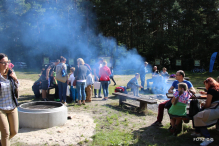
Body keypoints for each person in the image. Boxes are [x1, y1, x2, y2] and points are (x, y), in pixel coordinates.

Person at [192, 77, 219, 146]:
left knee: (199, 117)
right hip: (217, 108)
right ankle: (197, 132)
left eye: (205, 84)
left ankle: (208, 138)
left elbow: (207, 105)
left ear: (208, 83)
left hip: (216, 109)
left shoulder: (210, 90)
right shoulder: (216, 89)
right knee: (199, 113)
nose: (205, 86)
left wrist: (203, 104)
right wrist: (206, 93)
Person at [0, 53, 19, 146]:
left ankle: (2, 143)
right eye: (3, 62)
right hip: (1, 108)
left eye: (7, 62)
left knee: (14, 131)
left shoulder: (10, 73)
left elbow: (17, 86)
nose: (6, 64)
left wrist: (15, 79)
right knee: (5, 134)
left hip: (12, 106)